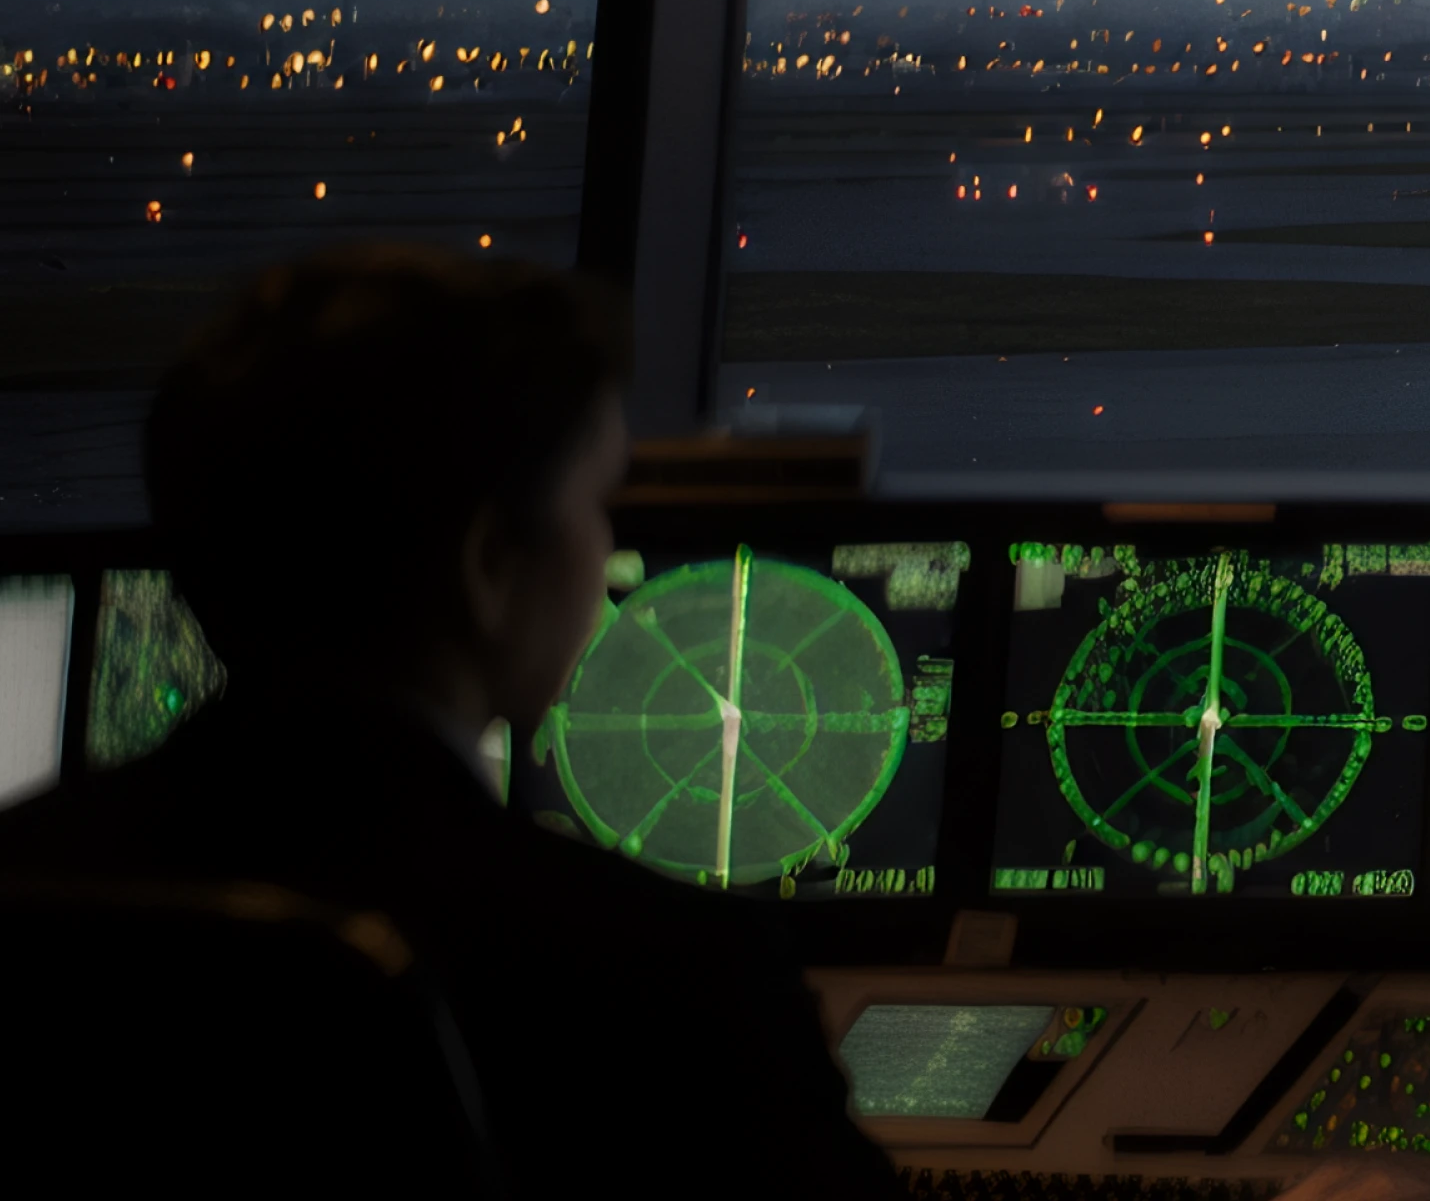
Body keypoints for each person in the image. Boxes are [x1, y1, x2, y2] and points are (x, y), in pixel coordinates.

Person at [0, 248, 901, 1200]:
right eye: (599, 506)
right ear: (488, 566)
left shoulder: (26, 878)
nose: (607, 553)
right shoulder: (678, 980)